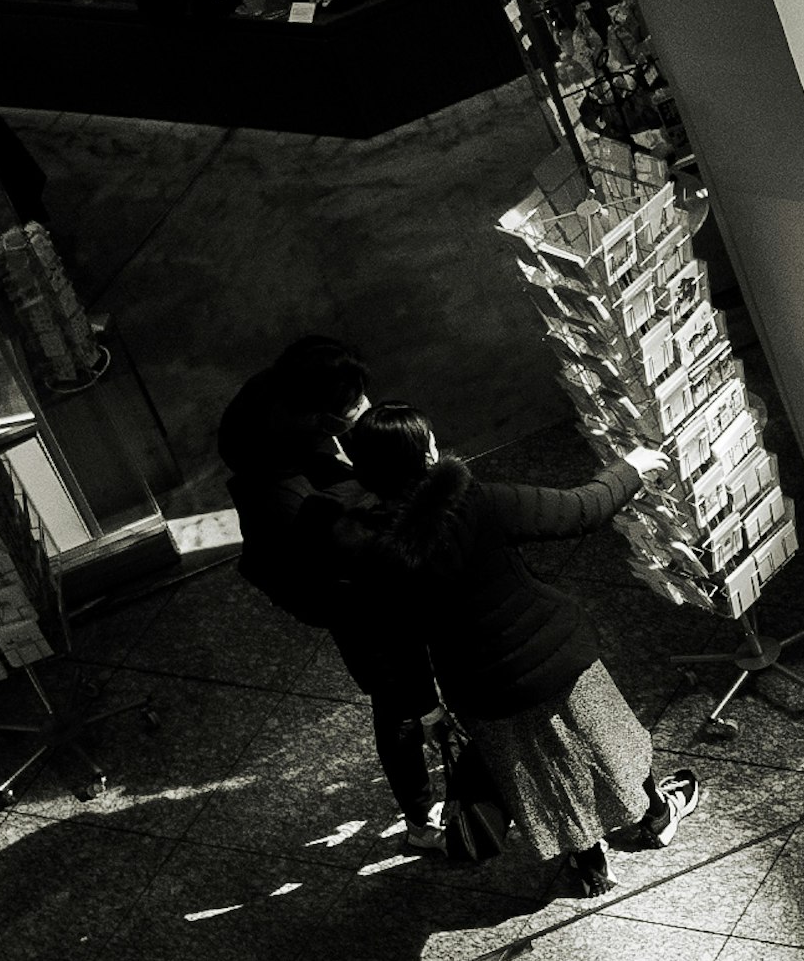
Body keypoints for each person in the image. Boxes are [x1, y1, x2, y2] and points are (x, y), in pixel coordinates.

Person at [335, 411, 694, 891]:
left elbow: (398, 642)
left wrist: (426, 708)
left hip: (480, 685)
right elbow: (580, 510)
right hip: (556, 654)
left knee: (541, 773)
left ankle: (590, 862)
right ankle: (655, 814)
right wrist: (630, 467)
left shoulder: (374, 553)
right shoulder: (478, 501)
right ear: (428, 455)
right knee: (610, 738)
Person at [216, 337, 446, 841]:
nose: (363, 409)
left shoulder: (270, 403)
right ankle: (420, 814)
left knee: (407, 691)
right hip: (348, 596)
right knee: (397, 698)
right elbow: (345, 555)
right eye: (350, 407)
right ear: (317, 418)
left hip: (341, 572)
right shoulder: (291, 499)